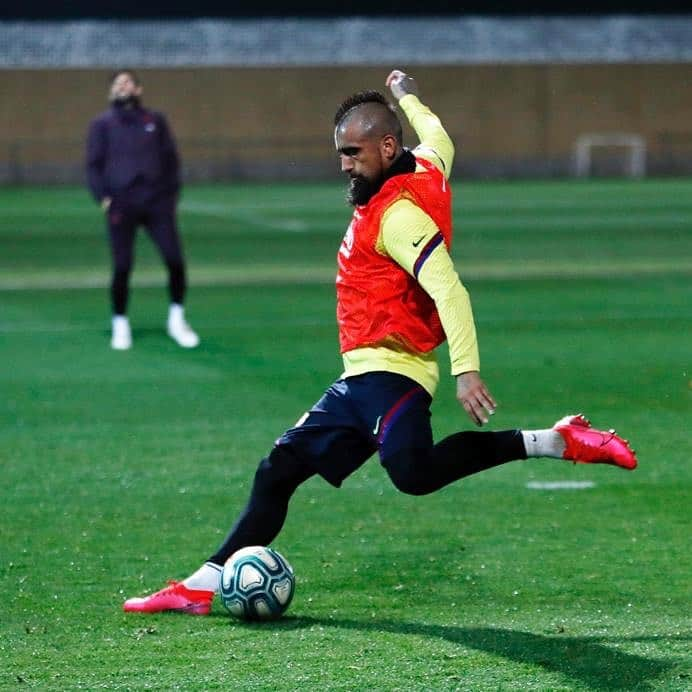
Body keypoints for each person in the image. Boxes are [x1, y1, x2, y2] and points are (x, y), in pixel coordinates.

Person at [122, 69, 637, 615]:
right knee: (279, 470)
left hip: (394, 372)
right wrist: (406, 93)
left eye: (353, 152)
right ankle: (200, 587)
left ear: (388, 148)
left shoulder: (396, 215)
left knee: (412, 476)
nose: (344, 164)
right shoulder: (429, 162)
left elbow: (449, 288)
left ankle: (557, 442)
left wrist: (467, 369)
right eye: (340, 153)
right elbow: (439, 133)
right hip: (360, 378)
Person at [86, 69, 199, 350]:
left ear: (138, 88)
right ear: (111, 91)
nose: (122, 86)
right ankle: (120, 323)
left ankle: (176, 319)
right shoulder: (102, 124)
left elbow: (171, 159)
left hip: (156, 203)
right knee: (123, 266)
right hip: (121, 203)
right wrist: (103, 198)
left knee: (175, 260)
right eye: (117, 83)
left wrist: (171, 195)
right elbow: (93, 165)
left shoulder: (154, 121)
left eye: (128, 82)